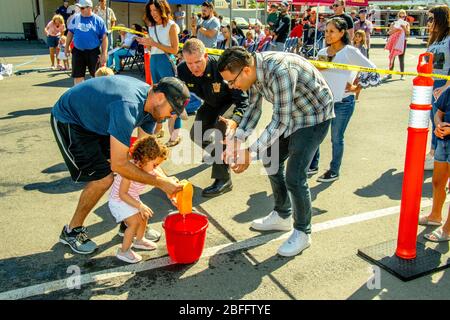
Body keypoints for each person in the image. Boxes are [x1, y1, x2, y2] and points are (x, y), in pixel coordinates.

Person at [51, 76, 188, 254]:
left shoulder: (151, 110)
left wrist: (167, 181)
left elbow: (144, 158)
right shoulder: (128, 105)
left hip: (97, 120)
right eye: (173, 110)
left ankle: (128, 221)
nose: (172, 115)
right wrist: (161, 183)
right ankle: (71, 231)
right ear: (161, 97)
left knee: (132, 167)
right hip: (71, 120)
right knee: (104, 178)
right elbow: (119, 165)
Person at [218, 47, 334, 257]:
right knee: (270, 158)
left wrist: (249, 152)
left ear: (245, 70)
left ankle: (303, 232)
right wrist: (237, 140)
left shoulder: (280, 70)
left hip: (313, 117)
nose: (231, 86)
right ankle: (282, 215)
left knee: (295, 177)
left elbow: (281, 120)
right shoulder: (253, 73)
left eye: (231, 81)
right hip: (291, 115)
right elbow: (253, 108)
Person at [310, 18, 380, 183]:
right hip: (323, 102)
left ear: (342, 33)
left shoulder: (350, 51)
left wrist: (357, 88)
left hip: (343, 103)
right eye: (326, 31)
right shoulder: (322, 53)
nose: (327, 35)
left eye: (332, 31)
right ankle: (312, 165)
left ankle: (334, 170)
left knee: (336, 138)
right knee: (315, 135)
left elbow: (373, 70)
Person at [178, 39, 249, 197]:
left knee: (220, 129)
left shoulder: (221, 68)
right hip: (211, 103)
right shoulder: (182, 70)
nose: (194, 67)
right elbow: (178, 90)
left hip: (231, 102)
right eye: (189, 63)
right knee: (196, 134)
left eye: (197, 62)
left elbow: (243, 100)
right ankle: (217, 152)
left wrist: (235, 121)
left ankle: (223, 180)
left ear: (206, 56)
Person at [109, 136, 169, 263]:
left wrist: (171, 188)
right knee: (134, 222)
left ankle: (139, 240)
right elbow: (122, 194)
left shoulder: (148, 167)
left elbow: (162, 179)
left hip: (131, 198)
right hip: (119, 201)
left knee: (144, 216)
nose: (156, 168)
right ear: (145, 158)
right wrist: (139, 205)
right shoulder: (130, 171)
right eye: (155, 164)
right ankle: (124, 251)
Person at [139, 0, 182, 147]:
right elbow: (153, 49)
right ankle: (160, 128)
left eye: (155, 10)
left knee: (172, 99)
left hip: (166, 62)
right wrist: (146, 44)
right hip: (154, 61)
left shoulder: (171, 26)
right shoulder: (151, 26)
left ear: (163, 9)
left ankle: (175, 134)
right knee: (156, 97)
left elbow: (175, 50)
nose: (153, 13)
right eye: (151, 11)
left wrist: (153, 44)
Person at [419, 87, 450, 243]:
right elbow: (438, 114)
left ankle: (447, 230)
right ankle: (435, 216)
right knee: (438, 181)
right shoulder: (449, 91)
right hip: (443, 143)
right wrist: (438, 126)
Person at [424, 5, 450, 171]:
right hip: (430, 84)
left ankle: (435, 154)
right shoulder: (434, 37)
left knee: (441, 121)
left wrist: (446, 85)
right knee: (433, 119)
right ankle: (434, 152)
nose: (429, 22)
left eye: (432, 18)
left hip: (443, 84)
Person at [65, 0, 108, 85]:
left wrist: (104, 53)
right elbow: (70, 33)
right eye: (80, 8)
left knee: (96, 75)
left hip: (93, 52)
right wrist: (66, 47)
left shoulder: (98, 20)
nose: (80, 10)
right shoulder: (75, 18)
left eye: (82, 8)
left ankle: (95, 95)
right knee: (78, 76)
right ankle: (79, 95)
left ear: (89, 8)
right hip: (78, 51)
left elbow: (104, 38)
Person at [383, 10, 410, 81]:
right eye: (400, 16)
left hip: (402, 43)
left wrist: (404, 27)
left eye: (403, 16)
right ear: (398, 16)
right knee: (392, 58)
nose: (402, 17)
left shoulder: (406, 24)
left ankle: (402, 75)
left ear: (405, 16)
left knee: (401, 59)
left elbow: (408, 33)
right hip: (394, 42)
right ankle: (389, 74)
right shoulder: (394, 23)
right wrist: (395, 29)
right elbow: (389, 32)